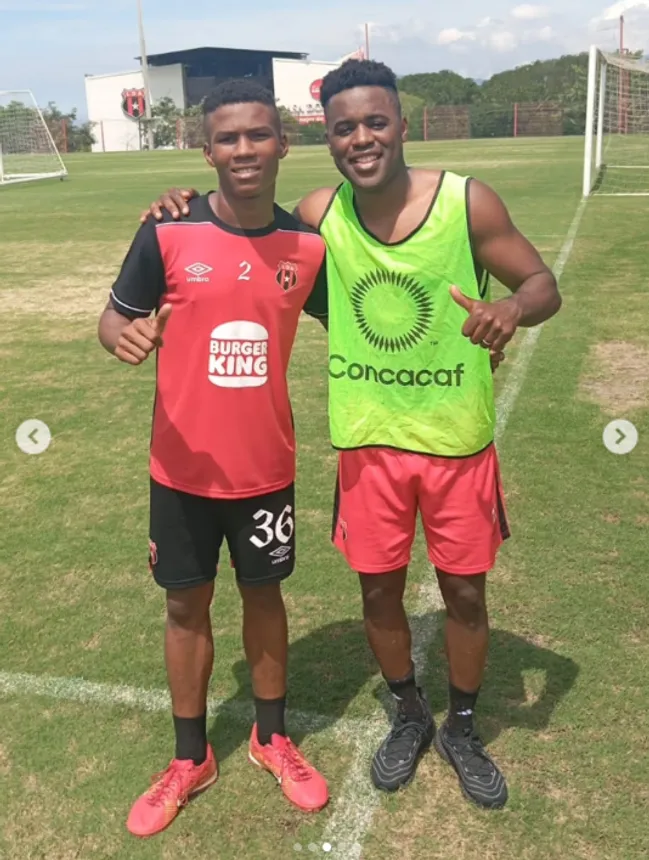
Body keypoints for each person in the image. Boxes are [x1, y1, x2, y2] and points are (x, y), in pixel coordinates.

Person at [141, 59, 561, 811]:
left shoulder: (467, 201)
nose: (361, 138)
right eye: (344, 128)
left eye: (375, 122)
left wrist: (510, 312)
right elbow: (246, 234)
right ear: (325, 139)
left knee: (464, 595)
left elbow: (541, 285)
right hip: (366, 444)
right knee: (378, 594)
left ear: (401, 124)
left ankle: (461, 728)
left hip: (456, 443)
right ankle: (406, 711)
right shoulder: (317, 216)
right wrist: (178, 205)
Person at [98, 79, 329, 839]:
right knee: (184, 606)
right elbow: (115, 317)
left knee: (264, 599)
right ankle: (190, 758)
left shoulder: (307, 247)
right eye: (227, 138)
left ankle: (270, 739)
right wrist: (121, 338)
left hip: (266, 468)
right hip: (181, 472)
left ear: (281, 144)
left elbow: (365, 316)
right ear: (206, 151)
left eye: (257, 136)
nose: (243, 150)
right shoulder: (166, 232)